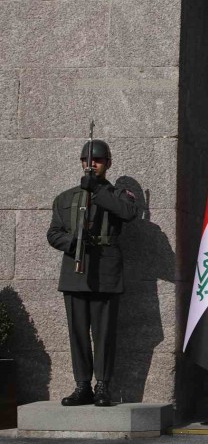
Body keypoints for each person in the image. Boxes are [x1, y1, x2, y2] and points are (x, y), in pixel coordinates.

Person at [47, 140, 137, 407]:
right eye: (87, 160)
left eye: (97, 160)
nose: (91, 164)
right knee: (77, 333)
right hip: (75, 271)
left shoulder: (118, 194)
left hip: (106, 271)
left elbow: (128, 213)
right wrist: (73, 242)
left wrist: (96, 189)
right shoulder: (65, 198)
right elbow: (53, 233)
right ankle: (82, 385)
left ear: (108, 163)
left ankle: (103, 386)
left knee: (104, 333)